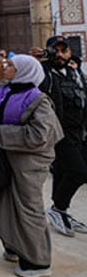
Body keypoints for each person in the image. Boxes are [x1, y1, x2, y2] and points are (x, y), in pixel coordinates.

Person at [0, 52, 63, 277]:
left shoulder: (38, 100)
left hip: (29, 164)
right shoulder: (5, 90)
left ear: (25, 72)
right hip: (7, 159)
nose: (5, 68)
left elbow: (40, 136)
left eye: (11, 66)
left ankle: (38, 261)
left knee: (28, 209)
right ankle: (14, 246)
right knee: (5, 203)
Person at [40, 35, 87, 236]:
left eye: (63, 50)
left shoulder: (75, 74)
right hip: (60, 133)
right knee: (79, 172)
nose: (59, 54)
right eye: (55, 50)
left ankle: (61, 210)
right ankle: (58, 208)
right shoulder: (45, 75)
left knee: (63, 170)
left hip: (79, 132)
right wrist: (40, 61)